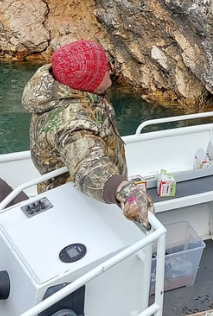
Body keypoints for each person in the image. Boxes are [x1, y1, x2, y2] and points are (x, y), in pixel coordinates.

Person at [23, 39, 153, 228]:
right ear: (89, 81)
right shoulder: (71, 120)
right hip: (76, 206)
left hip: (72, 195)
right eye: (105, 67)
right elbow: (90, 167)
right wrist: (124, 190)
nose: (111, 68)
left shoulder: (66, 93)